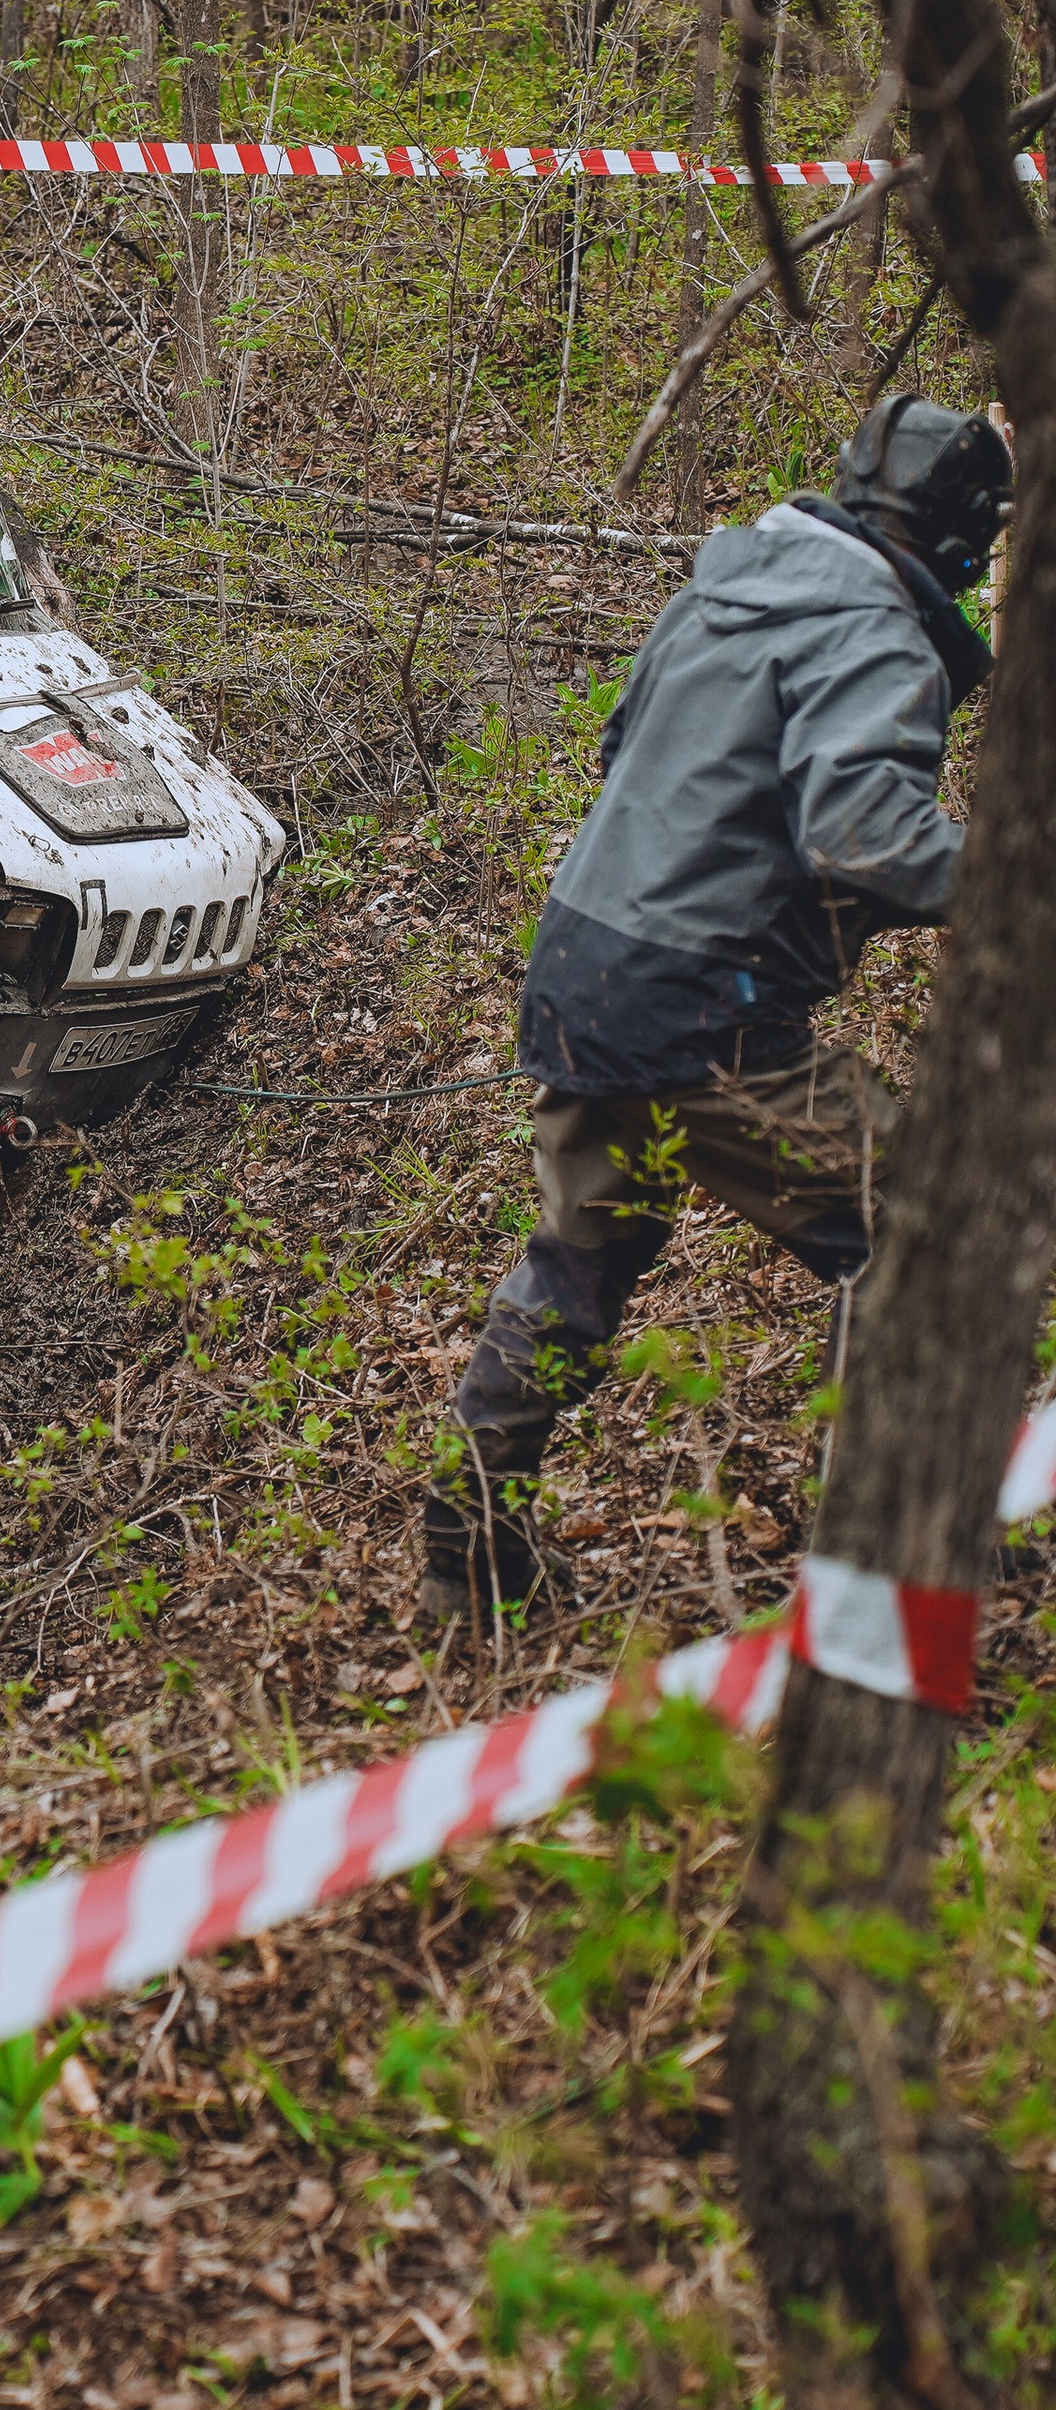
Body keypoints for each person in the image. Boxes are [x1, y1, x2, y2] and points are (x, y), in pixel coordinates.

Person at [424, 394, 1012, 1633]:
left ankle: (463, 1554)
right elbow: (869, 840)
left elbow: (629, 750)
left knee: (580, 1257)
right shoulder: (876, 637)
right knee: (917, 1235)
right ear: (962, 538)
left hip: (583, 961)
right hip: (704, 996)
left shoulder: (723, 590)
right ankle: (884, 1572)